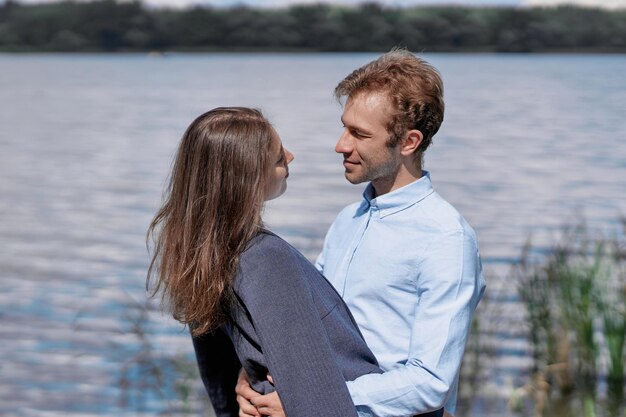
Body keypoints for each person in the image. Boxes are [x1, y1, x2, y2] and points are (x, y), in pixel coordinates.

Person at [236, 49, 486, 417]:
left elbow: (430, 382)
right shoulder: (347, 219)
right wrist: (250, 374)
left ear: (409, 143)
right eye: (344, 126)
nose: (341, 144)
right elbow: (304, 325)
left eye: (359, 133)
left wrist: (310, 401)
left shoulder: (447, 241)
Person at [146, 107, 392, 417]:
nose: (290, 156)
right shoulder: (266, 258)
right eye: (278, 158)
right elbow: (314, 382)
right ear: (245, 178)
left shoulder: (205, 256)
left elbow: (219, 375)